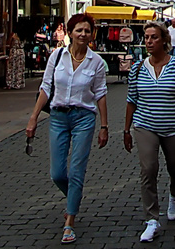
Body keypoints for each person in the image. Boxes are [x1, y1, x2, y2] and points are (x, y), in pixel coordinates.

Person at [25, 13, 108, 244]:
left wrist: (104, 126)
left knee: (77, 169)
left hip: (84, 118)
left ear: (92, 35)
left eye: (87, 31)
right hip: (59, 117)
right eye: (79, 30)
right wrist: (33, 118)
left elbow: (100, 94)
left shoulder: (97, 62)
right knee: (58, 173)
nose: (83, 34)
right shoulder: (57, 56)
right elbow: (46, 87)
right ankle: (74, 197)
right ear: (70, 33)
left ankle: (69, 221)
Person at [124, 21, 175, 243]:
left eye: (153, 37)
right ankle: (152, 220)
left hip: (174, 126)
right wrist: (126, 129)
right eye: (146, 37)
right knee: (148, 168)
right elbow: (131, 101)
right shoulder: (137, 68)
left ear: (164, 40)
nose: (149, 41)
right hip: (145, 125)